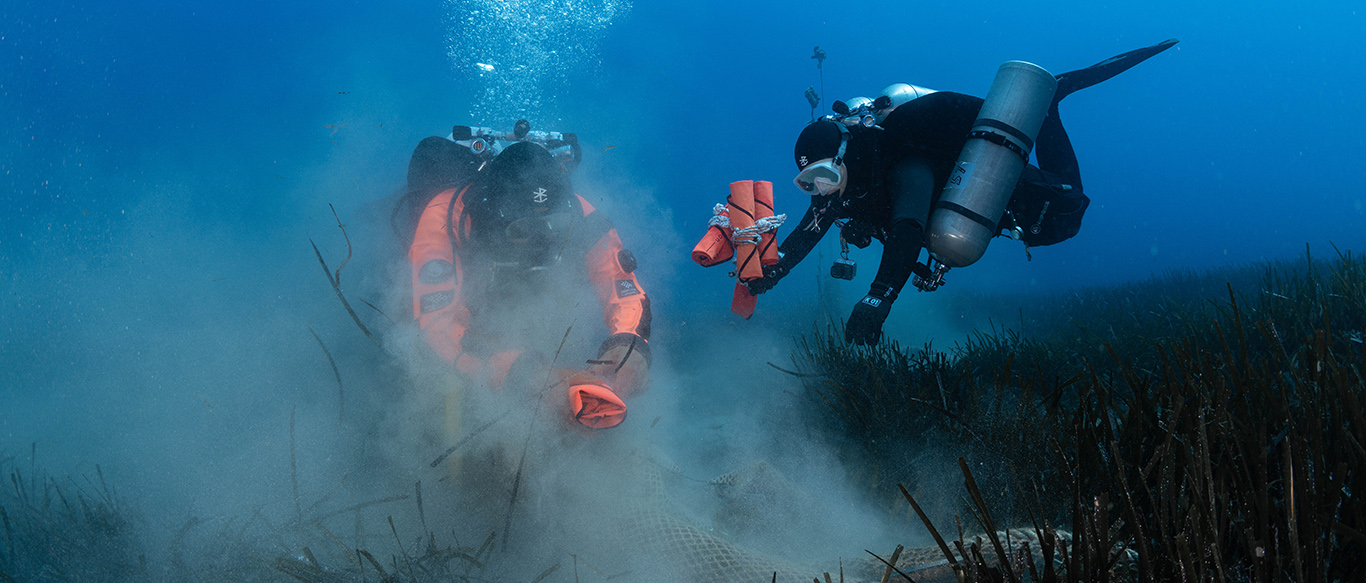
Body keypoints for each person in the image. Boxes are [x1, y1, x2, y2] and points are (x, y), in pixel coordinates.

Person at [746, 40, 1179, 345]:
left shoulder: (901, 161)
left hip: (1002, 194)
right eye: (807, 184)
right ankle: (1047, 105)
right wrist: (770, 273)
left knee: (1067, 211)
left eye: (822, 175)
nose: (819, 191)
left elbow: (909, 226)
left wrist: (878, 299)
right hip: (950, 210)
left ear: (843, 151)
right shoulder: (839, 186)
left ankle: (1049, 102)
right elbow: (809, 230)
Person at [406, 132, 651, 429]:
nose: (542, 240)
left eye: (552, 226)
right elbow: (438, 324)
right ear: (493, 219)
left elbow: (622, 287)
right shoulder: (446, 215)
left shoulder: (579, 211)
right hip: (469, 319)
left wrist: (629, 343)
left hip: (530, 317)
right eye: (524, 229)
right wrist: (521, 375)